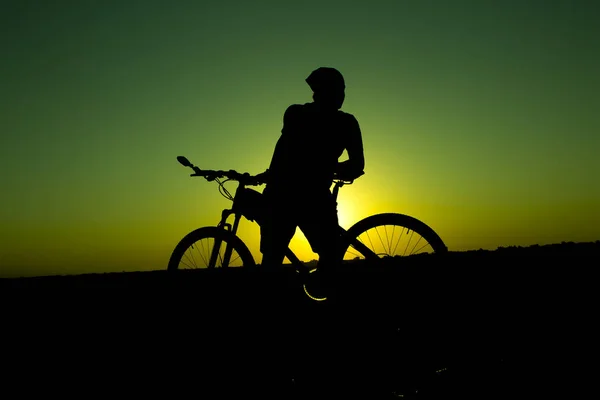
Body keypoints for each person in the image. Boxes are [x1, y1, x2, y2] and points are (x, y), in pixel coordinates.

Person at [258, 67, 365, 294]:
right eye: (338, 90)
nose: (341, 95)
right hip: (297, 195)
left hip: (293, 194)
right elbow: (356, 165)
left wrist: (326, 168)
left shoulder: (299, 114)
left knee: (276, 257)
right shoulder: (338, 121)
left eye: (342, 90)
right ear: (321, 91)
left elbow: (283, 156)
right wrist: (332, 168)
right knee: (318, 254)